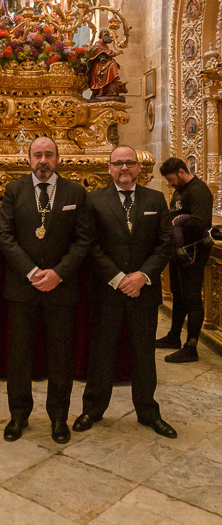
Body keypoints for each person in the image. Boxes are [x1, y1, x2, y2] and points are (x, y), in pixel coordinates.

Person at [74, 145, 177, 439]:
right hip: (108, 291)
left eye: (129, 163)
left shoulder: (155, 199)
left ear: (138, 167)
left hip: (143, 291)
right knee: (102, 352)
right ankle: (93, 409)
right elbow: (89, 244)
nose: (124, 168)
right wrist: (119, 278)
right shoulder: (94, 200)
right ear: (109, 168)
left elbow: (165, 243)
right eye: (118, 163)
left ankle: (148, 411)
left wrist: (142, 276)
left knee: (143, 354)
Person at [0, 136, 91, 443]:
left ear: (57, 159)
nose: (43, 161)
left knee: (60, 357)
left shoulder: (75, 191)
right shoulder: (14, 190)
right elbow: (5, 235)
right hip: (22, 287)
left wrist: (59, 273)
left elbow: (83, 239)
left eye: (49, 154)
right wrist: (32, 271)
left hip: (61, 288)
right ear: (29, 159)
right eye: (37, 155)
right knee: (19, 356)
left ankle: (59, 418)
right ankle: (18, 416)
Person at [157, 157, 213, 362]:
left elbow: (200, 222)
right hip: (177, 250)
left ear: (181, 172)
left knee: (191, 298)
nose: (169, 183)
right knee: (178, 294)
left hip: (193, 251)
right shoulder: (179, 189)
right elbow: (176, 214)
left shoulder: (199, 190)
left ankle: (191, 347)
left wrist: (176, 224)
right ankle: (174, 337)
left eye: (171, 179)